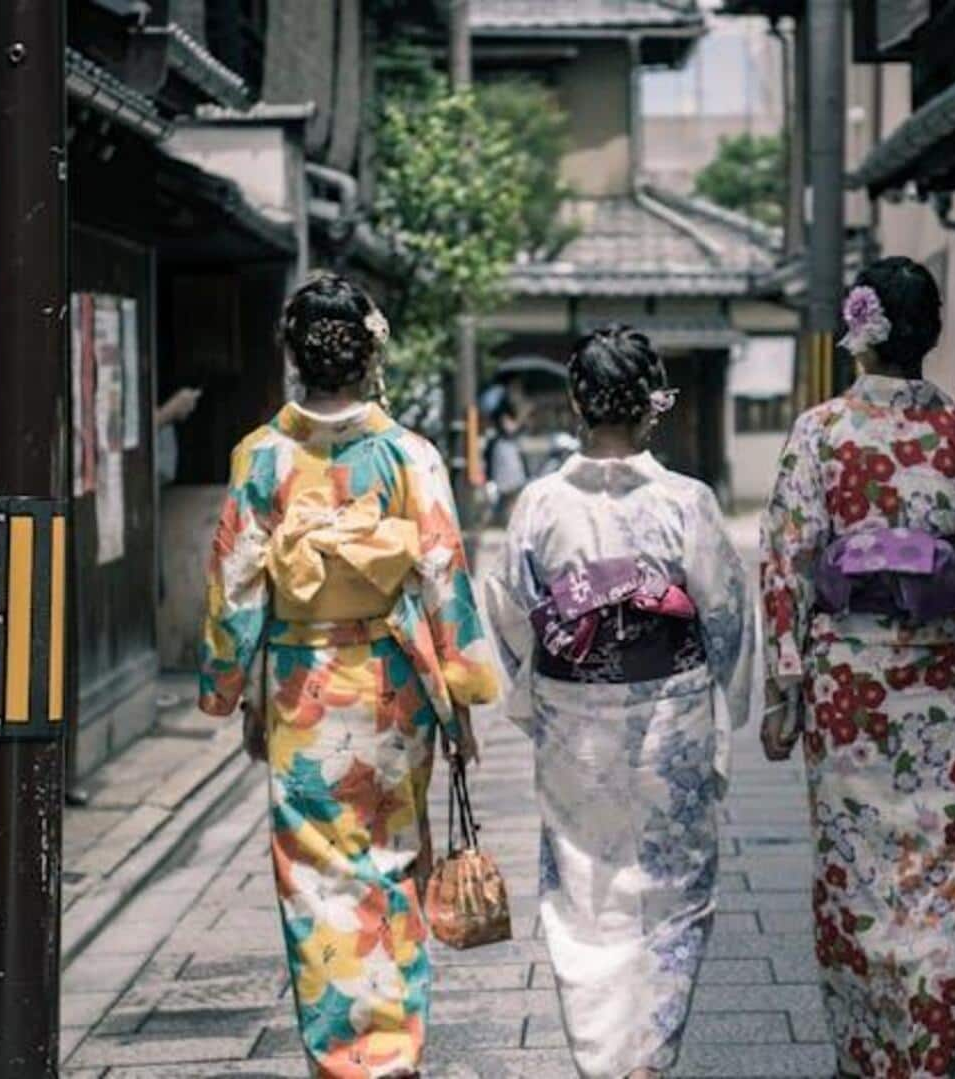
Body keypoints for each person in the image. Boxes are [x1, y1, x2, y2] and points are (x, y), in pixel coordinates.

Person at [758, 258, 955, 1078]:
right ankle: (928, 1059)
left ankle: (865, 1059)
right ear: (929, 333)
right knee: (941, 890)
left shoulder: (820, 433)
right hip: (952, 694)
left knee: (856, 882)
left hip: (847, 698)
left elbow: (788, 559)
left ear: (859, 332)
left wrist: (784, 685)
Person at [198, 271, 501, 1078]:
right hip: (394, 681)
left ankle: (343, 1058)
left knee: (316, 881)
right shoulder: (410, 455)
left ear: (293, 357)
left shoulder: (262, 457)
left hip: (303, 684)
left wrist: (228, 686)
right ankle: (395, 1052)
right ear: (371, 354)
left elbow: (235, 588)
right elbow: (444, 574)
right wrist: (463, 697)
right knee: (394, 863)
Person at [483, 325, 756, 1079]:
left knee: (584, 893)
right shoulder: (686, 502)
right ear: (650, 406)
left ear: (576, 401)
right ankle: (649, 1055)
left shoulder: (539, 505)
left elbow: (510, 615)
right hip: (671, 713)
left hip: (575, 719)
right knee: (673, 889)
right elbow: (727, 617)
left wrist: (536, 691)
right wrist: (717, 700)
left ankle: (602, 1060)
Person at [483, 401, 529, 525]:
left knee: (514, 506)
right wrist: (489, 480)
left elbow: (523, 461)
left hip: (516, 480)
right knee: (500, 507)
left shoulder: (516, 440)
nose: (507, 424)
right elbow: (488, 462)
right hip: (501, 481)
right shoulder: (494, 442)